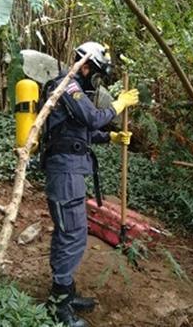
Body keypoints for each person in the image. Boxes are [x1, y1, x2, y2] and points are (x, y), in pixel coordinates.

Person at [42, 41, 139, 327]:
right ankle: (59, 306)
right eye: (95, 72)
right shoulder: (67, 86)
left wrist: (110, 138)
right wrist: (118, 105)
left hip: (70, 171)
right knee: (71, 235)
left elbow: (79, 132)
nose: (95, 79)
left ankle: (65, 295)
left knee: (71, 233)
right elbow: (92, 118)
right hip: (64, 173)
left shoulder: (74, 89)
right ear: (85, 66)